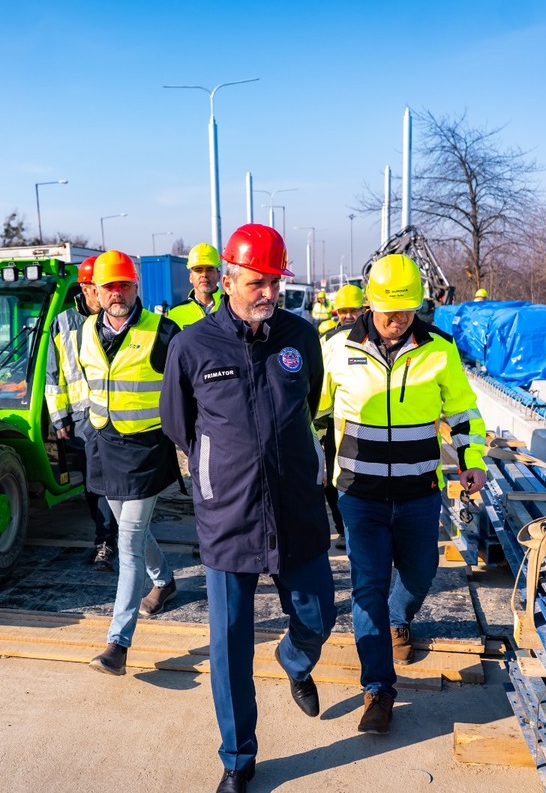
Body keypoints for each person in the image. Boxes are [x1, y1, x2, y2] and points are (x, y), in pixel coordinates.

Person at [160, 223, 336, 793]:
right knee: (230, 645)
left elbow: (308, 400)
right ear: (229, 279)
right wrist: (221, 469)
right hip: (228, 513)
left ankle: (294, 658)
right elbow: (180, 425)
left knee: (317, 616)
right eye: (258, 282)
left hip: (295, 506)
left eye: (275, 282)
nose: (269, 293)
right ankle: (238, 760)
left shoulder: (300, 337)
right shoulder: (191, 346)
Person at [319, 253, 487, 735]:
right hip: (359, 494)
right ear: (369, 303)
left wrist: (471, 462)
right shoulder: (337, 349)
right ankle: (378, 690)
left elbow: (463, 413)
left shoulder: (440, 349)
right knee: (367, 586)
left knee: (419, 575)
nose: (396, 322)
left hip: (418, 493)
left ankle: (401, 616)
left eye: (407, 312)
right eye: (388, 312)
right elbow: (315, 412)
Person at [81, 250, 181, 676]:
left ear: (136, 287)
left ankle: (117, 644)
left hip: (145, 451)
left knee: (128, 544)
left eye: (124, 284)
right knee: (128, 532)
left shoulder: (163, 331)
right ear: (97, 293)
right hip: (105, 445)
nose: (117, 293)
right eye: (109, 287)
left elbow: (187, 388)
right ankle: (166, 582)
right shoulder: (86, 330)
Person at [45, 255, 120, 572]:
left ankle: (114, 539)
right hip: (82, 420)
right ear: (86, 287)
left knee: (114, 483)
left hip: (116, 415)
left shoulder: (114, 320)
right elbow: (54, 376)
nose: (103, 295)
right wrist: (60, 419)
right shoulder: (63, 323)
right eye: (97, 288)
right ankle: (106, 540)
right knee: (95, 485)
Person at [318, 284, 366, 547]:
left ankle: (358, 530)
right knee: (334, 479)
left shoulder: (374, 339)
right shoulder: (328, 341)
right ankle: (343, 528)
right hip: (333, 424)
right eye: (344, 311)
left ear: (363, 309)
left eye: (353, 311)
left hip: (366, 422)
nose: (348, 316)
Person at [167, 243, 223, 329]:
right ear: (190, 277)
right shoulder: (175, 313)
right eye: (198, 270)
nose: (204, 275)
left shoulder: (232, 308)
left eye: (209, 270)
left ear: (219, 276)